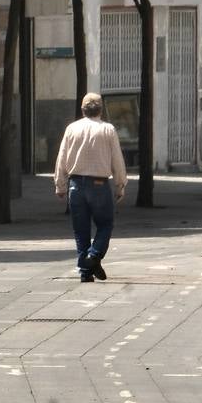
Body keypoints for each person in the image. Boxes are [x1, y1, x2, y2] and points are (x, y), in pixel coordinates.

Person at [54, 93, 128, 283]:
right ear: (101, 110)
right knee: (105, 224)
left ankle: (85, 272)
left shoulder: (72, 128)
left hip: (76, 184)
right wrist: (120, 184)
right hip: (99, 184)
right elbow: (117, 160)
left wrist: (60, 184)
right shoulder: (108, 130)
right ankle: (93, 256)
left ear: (82, 109)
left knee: (81, 230)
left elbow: (62, 157)